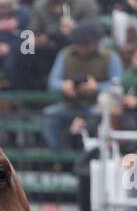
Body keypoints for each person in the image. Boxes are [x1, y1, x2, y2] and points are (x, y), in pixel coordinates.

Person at [41, 21, 124, 149]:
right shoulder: (65, 54)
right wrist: (64, 86)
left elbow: (117, 84)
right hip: (71, 103)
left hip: (96, 105)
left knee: (96, 116)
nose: (82, 48)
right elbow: (53, 82)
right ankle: (57, 154)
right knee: (49, 116)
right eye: (79, 44)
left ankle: (92, 153)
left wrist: (96, 87)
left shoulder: (110, 57)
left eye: (86, 45)